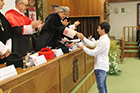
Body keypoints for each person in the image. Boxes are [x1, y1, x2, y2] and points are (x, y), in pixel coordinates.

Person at [77, 22, 110, 93]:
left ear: (103, 30)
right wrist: (83, 38)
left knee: (101, 88)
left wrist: (83, 47)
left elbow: (93, 52)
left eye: (99, 28)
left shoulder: (104, 41)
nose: (97, 30)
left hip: (100, 67)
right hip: (102, 66)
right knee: (103, 86)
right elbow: (92, 44)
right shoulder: (103, 39)